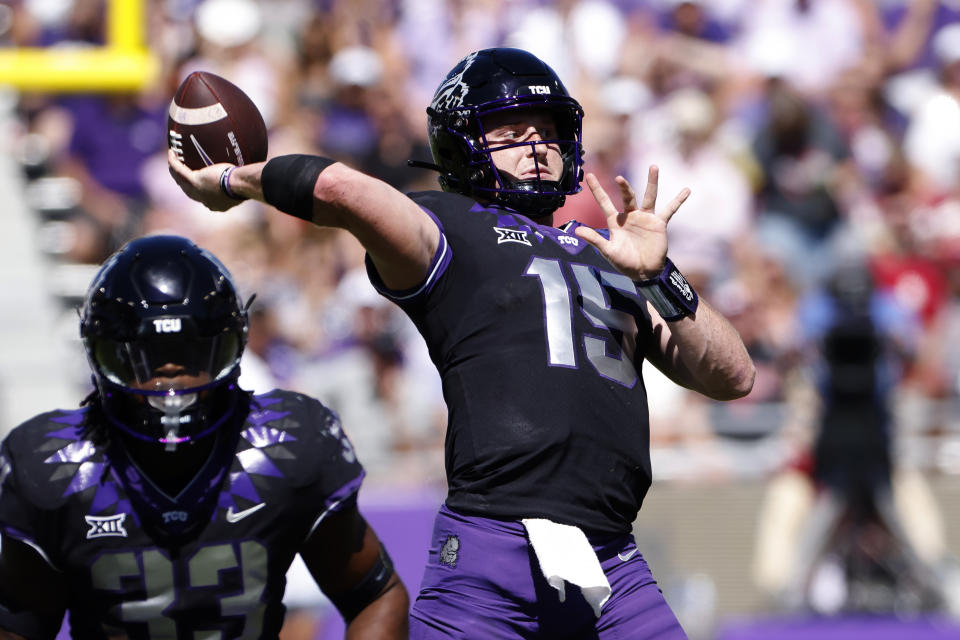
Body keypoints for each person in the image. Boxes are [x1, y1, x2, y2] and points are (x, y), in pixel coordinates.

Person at [169, 47, 755, 639]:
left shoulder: (611, 252)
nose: (536, 145)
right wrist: (230, 180)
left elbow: (733, 377)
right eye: (512, 129)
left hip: (612, 560)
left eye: (547, 130)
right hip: (491, 556)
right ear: (461, 144)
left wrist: (660, 277)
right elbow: (343, 189)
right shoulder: (448, 226)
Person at [0, 235, 408, 639]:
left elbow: (374, 595)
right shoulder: (52, 466)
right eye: (149, 356)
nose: (171, 378)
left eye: (191, 351)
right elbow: (20, 623)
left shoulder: (289, 446)